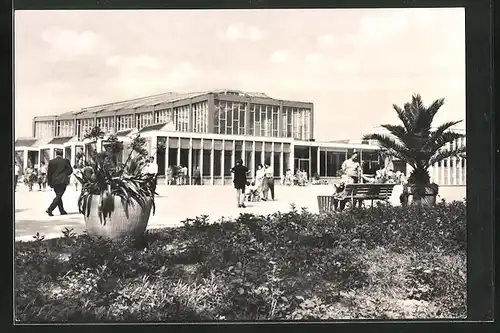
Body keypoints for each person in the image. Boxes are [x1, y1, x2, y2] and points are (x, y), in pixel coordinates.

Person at [46, 150, 73, 216]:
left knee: (58, 195)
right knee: (59, 195)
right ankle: (50, 209)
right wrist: (65, 174)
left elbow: (49, 173)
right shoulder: (65, 161)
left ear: (56, 154)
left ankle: (62, 210)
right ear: (62, 154)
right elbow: (70, 170)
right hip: (63, 180)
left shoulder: (51, 161)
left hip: (54, 181)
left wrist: (49, 182)